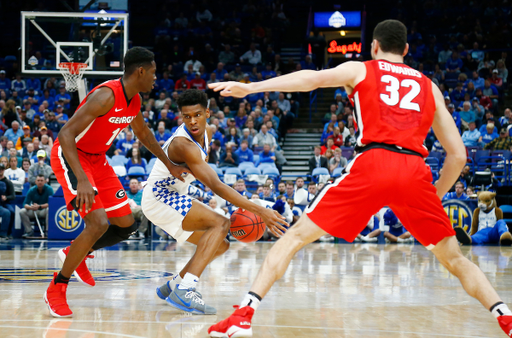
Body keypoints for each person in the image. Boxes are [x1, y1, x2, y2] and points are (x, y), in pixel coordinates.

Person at [208, 19, 512, 337]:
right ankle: (506, 317)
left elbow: (310, 80)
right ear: (406, 50)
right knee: (455, 260)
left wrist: (252, 87)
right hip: (414, 170)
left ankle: (243, 316)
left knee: (294, 238)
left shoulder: (362, 69)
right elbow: (459, 155)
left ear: (374, 47)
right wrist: (434, 194)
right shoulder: (429, 86)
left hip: (374, 161)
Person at [44, 47, 191, 318]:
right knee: (98, 223)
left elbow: (143, 134)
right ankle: (57, 287)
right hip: (71, 156)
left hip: (98, 160)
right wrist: (82, 179)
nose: (157, 79)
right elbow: (65, 134)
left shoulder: (133, 101)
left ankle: (74, 251)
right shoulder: (105, 95)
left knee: (126, 225)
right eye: (154, 73)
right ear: (140, 71)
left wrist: (169, 163)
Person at [141, 89, 286, 315]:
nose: (192, 121)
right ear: (180, 116)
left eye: (197, 114)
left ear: (207, 112)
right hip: (160, 197)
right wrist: (260, 211)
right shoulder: (183, 144)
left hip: (174, 193)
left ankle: (172, 285)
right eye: (186, 116)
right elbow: (216, 185)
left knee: (220, 245)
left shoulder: (207, 131)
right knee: (221, 224)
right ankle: (186, 289)